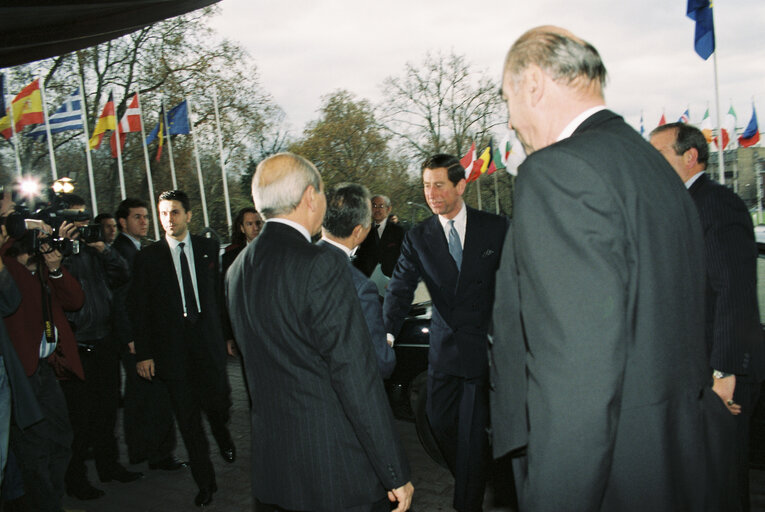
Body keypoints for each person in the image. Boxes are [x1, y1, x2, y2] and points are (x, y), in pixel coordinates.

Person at [490, 26, 733, 511]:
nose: (511, 121)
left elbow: (576, 377)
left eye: (507, 99)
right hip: (671, 460)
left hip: (607, 475)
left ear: (533, 83)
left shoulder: (558, 172)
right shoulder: (653, 166)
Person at [225, 152, 413, 512]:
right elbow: (356, 378)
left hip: (274, 472)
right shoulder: (322, 266)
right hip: (335, 473)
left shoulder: (238, 269)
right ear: (310, 197)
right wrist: (394, 471)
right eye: (324, 192)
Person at [383, 154, 508, 512]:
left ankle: (466, 502)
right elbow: (400, 289)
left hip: (485, 350)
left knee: (470, 429)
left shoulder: (496, 227)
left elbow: (520, 279)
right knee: (438, 422)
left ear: (460, 186)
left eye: (439, 184)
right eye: (426, 185)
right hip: (443, 350)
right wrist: (387, 335)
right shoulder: (418, 237)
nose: (431, 193)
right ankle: (479, 473)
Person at [650, 122, 765, 511]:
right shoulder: (680, 205)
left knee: (722, 483)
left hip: (717, 375)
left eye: (659, 153)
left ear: (690, 156)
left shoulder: (716, 203)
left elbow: (733, 291)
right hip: (691, 373)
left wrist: (725, 373)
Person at [129, 190, 233, 508]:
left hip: (209, 346)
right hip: (173, 353)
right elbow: (140, 308)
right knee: (188, 422)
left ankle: (222, 431)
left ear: (188, 215)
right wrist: (144, 353)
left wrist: (228, 336)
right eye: (162, 213)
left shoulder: (208, 247)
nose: (168, 219)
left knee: (219, 404)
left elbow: (219, 297)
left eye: (174, 212)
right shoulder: (148, 258)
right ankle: (206, 482)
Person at [57, 195, 141, 500]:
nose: (81, 224)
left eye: (84, 217)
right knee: (79, 418)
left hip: (104, 340)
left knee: (107, 412)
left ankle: (109, 466)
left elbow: (122, 275)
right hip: (76, 345)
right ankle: (75, 478)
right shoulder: (57, 251)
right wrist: (63, 251)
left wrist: (103, 249)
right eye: (74, 218)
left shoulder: (95, 250)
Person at [2, 227, 84, 512]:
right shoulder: (10, 269)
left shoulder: (43, 271)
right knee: (34, 449)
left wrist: (55, 269)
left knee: (61, 438)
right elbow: (22, 296)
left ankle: (54, 501)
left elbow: (75, 301)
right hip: (22, 374)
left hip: (46, 369)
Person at [112, 198, 183, 472]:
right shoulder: (122, 252)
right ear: (123, 222)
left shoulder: (139, 248)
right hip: (137, 339)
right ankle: (155, 453)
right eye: (137, 217)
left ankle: (146, 452)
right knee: (150, 398)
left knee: (142, 397)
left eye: (145, 217)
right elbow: (123, 299)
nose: (144, 221)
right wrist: (132, 338)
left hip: (143, 335)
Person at [317, 183, 396, 378]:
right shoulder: (361, 288)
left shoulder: (294, 264)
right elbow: (382, 363)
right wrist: (385, 343)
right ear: (359, 230)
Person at [221, 206, 262, 356]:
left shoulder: (278, 252)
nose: (255, 228)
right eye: (249, 224)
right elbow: (226, 298)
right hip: (245, 330)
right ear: (242, 228)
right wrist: (229, 336)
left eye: (258, 223)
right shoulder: (230, 258)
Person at [353, 194, 405, 278]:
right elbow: (360, 258)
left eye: (381, 206)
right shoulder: (364, 231)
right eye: (374, 206)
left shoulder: (398, 231)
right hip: (368, 281)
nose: (377, 209)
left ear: (388, 209)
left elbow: (405, 256)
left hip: (392, 281)